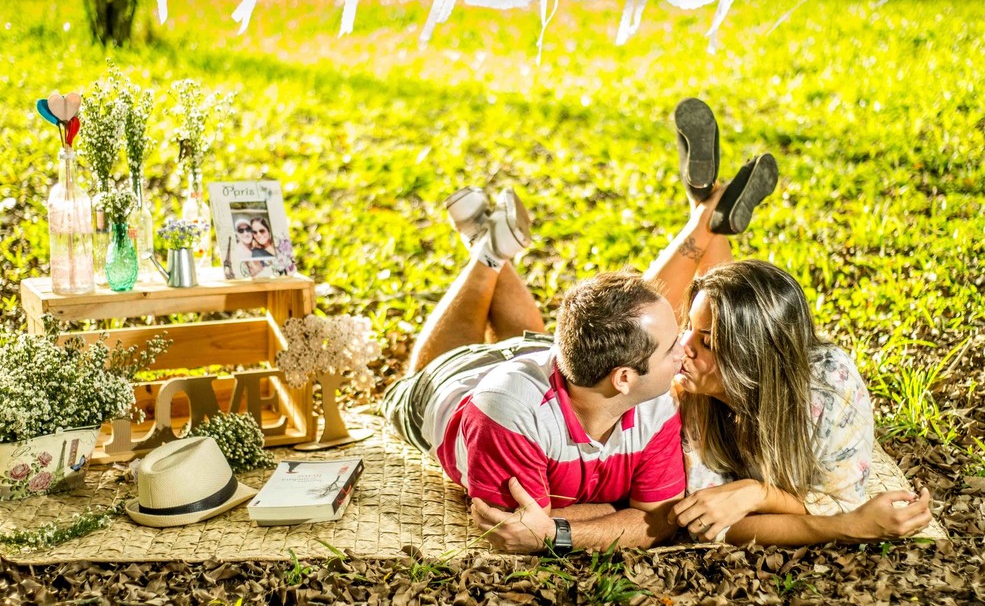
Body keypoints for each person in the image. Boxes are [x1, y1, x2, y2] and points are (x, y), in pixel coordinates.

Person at [646, 98, 933, 546]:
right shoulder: (689, 390)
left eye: (705, 342)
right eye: (691, 333)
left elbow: (838, 506)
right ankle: (707, 218)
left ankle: (706, 211)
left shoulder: (830, 395)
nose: (683, 347)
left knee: (696, 313)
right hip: (730, 364)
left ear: (751, 361)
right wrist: (753, 495)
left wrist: (753, 492)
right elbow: (711, 516)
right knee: (640, 331)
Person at [382, 187, 690, 554]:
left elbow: (658, 521)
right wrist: (622, 512)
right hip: (453, 381)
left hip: (543, 355)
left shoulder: (655, 401)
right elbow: (514, 529)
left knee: (532, 345)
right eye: (672, 346)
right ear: (623, 378)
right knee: (425, 368)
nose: (684, 349)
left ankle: (490, 247)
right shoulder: (505, 414)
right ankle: (486, 251)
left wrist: (555, 529)